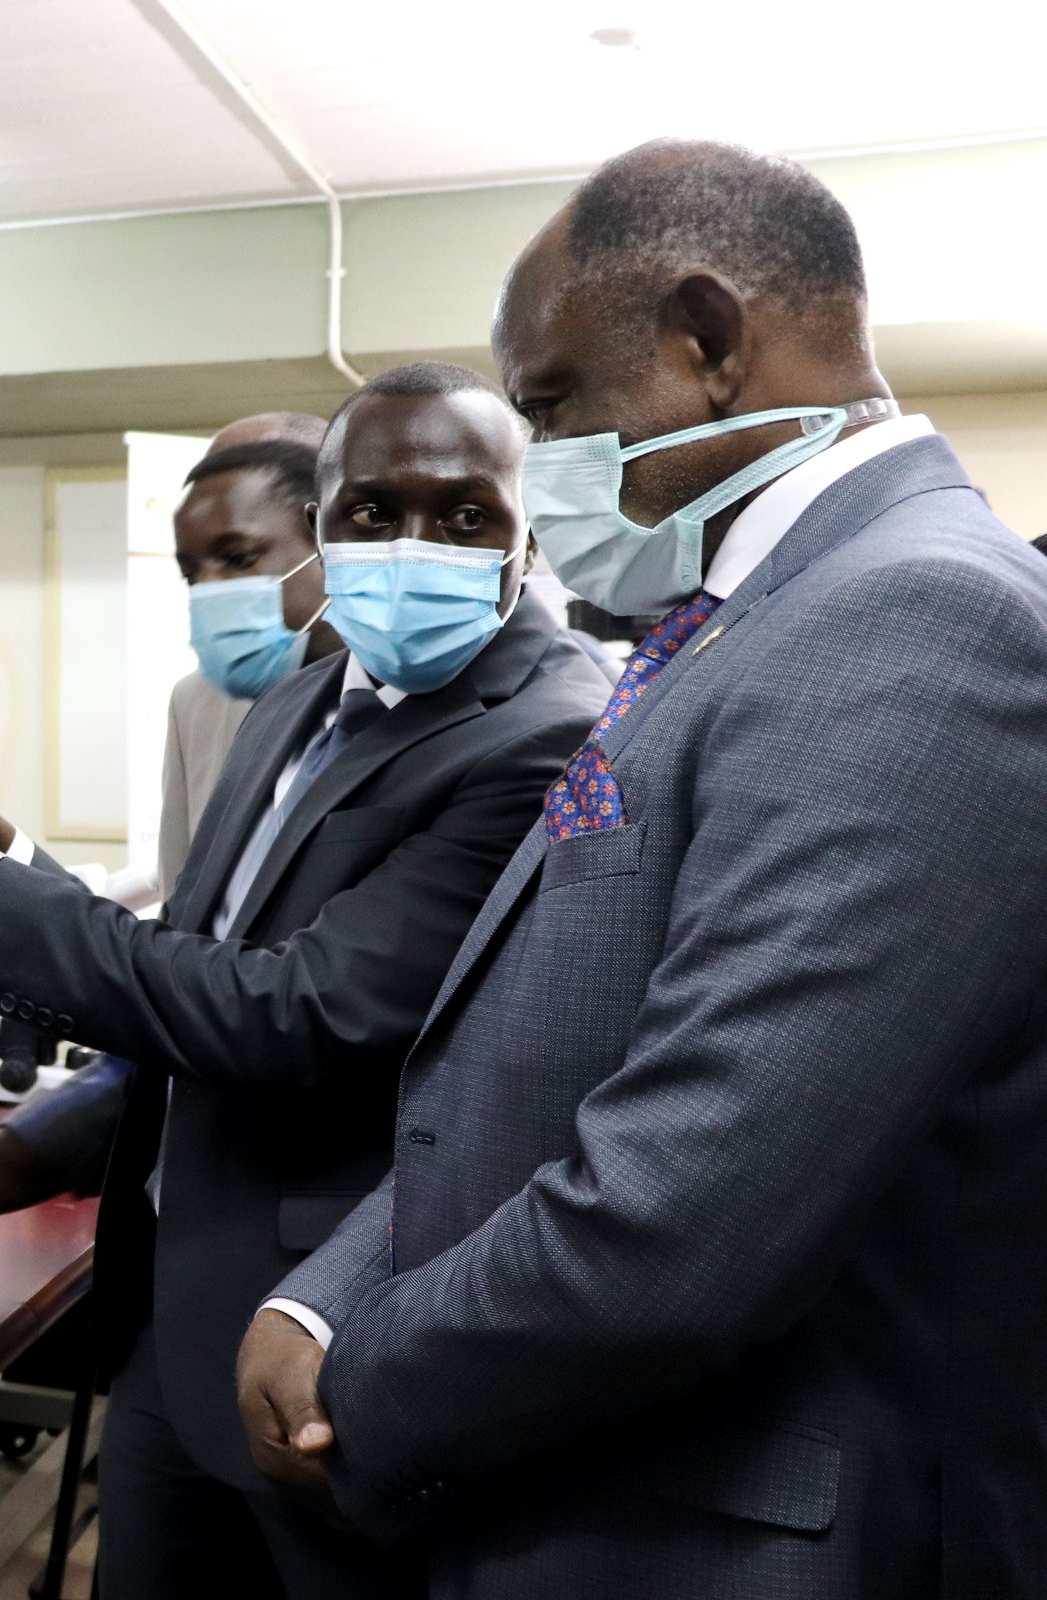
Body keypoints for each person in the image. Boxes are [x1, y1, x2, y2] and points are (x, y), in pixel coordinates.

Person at [238, 140, 1047, 1595]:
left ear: (709, 341)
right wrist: (329, 1297)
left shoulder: (917, 618)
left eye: (551, 406)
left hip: (713, 1524)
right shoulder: (746, 617)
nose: (541, 467)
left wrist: (365, 1395)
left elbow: (684, 1209)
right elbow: (536, 1046)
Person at [0, 365, 608, 1598]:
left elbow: (294, 1016)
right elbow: (187, 986)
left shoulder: (548, 732)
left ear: (528, 528)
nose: (414, 545)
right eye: (372, 510)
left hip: (331, 1341)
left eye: (465, 515)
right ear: (325, 530)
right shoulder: (300, 696)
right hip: (173, 1322)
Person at [160, 411, 336, 894]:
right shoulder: (196, 703)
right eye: (192, 572)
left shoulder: (409, 691)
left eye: (238, 558)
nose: (210, 589)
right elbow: (180, 899)